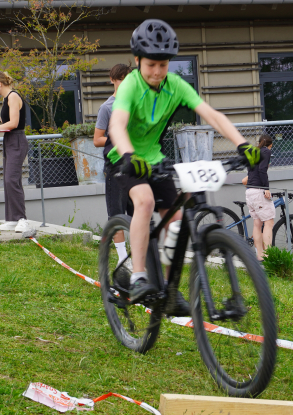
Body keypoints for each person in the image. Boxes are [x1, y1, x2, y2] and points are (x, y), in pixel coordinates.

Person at [107, 19, 262, 312]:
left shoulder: (175, 85)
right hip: (124, 157)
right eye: (151, 65)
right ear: (137, 60)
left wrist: (242, 144)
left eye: (163, 65)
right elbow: (117, 124)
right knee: (145, 201)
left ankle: (168, 288)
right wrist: (128, 155)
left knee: (176, 220)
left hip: (154, 158)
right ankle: (138, 275)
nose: (157, 72)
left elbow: (212, 115)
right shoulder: (130, 85)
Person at [0, 71, 37, 237]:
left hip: (17, 140)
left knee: (11, 180)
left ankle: (21, 218)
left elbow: (13, 123)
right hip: (9, 140)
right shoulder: (6, 99)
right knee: (8, 180)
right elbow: (6, 123)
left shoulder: (13, 96)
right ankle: (12, 218)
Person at [94, 63, 133, 264]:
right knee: (117, 214)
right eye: (120, 79)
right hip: (116, 167)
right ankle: (122, 259)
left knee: (139, 214)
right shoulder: (107, 108)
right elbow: (97, 139)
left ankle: (140, 257)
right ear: (112, 80)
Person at [241, 134, 274, 261]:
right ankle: (268, 256)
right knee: (269, 222)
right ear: (270, 145)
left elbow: (249, 175)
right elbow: (262, 170)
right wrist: (266, 188)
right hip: (258, 191)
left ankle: (260, 256)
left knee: (257, 223)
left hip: (249, 192)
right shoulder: (266, 151)